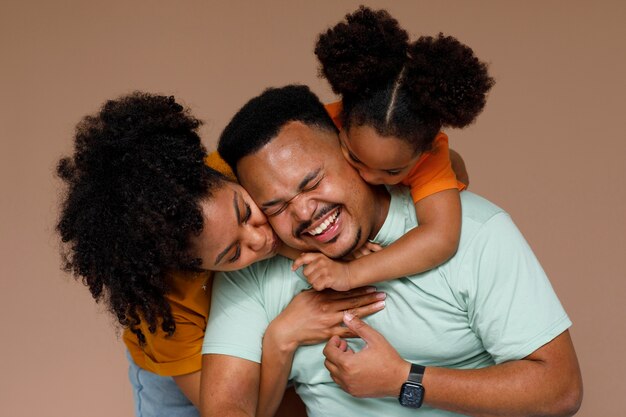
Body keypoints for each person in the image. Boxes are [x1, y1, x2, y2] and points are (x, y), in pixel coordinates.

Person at [201, 84, 582, 417]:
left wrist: (404, 380)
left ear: (351, 153)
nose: (303, 213)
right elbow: (226, 406)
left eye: (313, 182)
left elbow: (560, 389)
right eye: (276, 207)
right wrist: (281, 337)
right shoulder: (252, 266)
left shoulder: (476, 232)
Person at [56, 91, 387, 417]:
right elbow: (244, 409)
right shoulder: (165, 311)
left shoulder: (225, 169)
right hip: (183, 388)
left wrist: (325, 244)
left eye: (245, 212)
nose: (260, 238)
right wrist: (280, 338)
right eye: (233, 253)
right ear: (194, 267)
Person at [291, 6, 495, 293]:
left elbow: (440, 238)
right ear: (342, 122)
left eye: (392, 171)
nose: (371, 177)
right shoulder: (318, 124)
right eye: (354, 158)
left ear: (424, 152)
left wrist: (351, 273)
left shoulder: (432, 156)